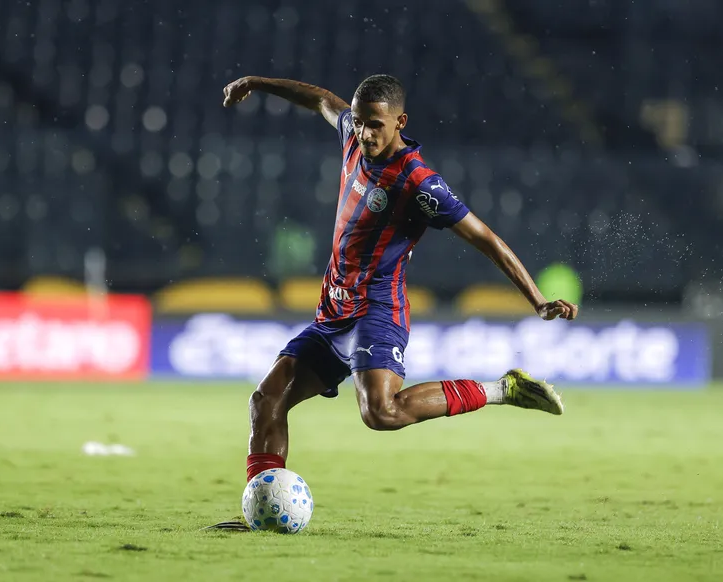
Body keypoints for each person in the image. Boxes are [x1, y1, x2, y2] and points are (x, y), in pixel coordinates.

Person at [212, 74, 578, 530]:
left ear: (399, 121)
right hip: (333, 313)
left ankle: (503, 389)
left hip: (376, 313)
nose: (365, 133)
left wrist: (538, 300)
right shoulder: (351, 133)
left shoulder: (418, 181)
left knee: (381, 413)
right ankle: (260, 514)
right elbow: (321, 99)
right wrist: (258, 83)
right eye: (361, 123)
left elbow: (487, 239)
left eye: (376, 125)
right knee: (265, 400)